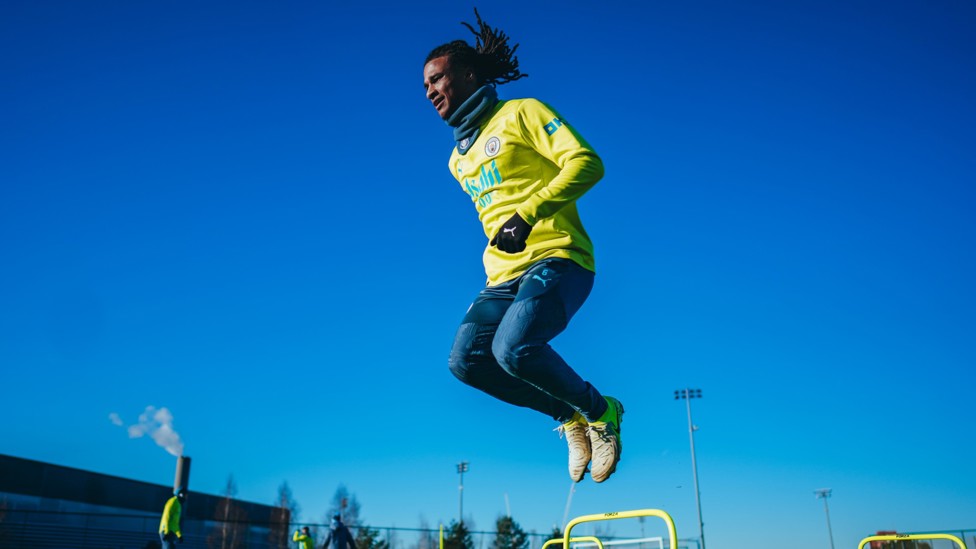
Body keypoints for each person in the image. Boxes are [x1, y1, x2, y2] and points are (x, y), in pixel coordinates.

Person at [422, 9, 624, 484]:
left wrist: (528, 213)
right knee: (466, 361)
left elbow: (587, 163)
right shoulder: (457, 159)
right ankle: (568, 416)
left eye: (438, 79)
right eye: (425, 86)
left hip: (559, 258)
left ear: (469, 74)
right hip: (502, 278)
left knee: (513, 348)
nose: (430, 91)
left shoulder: (522, 112)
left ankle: (602, 412)